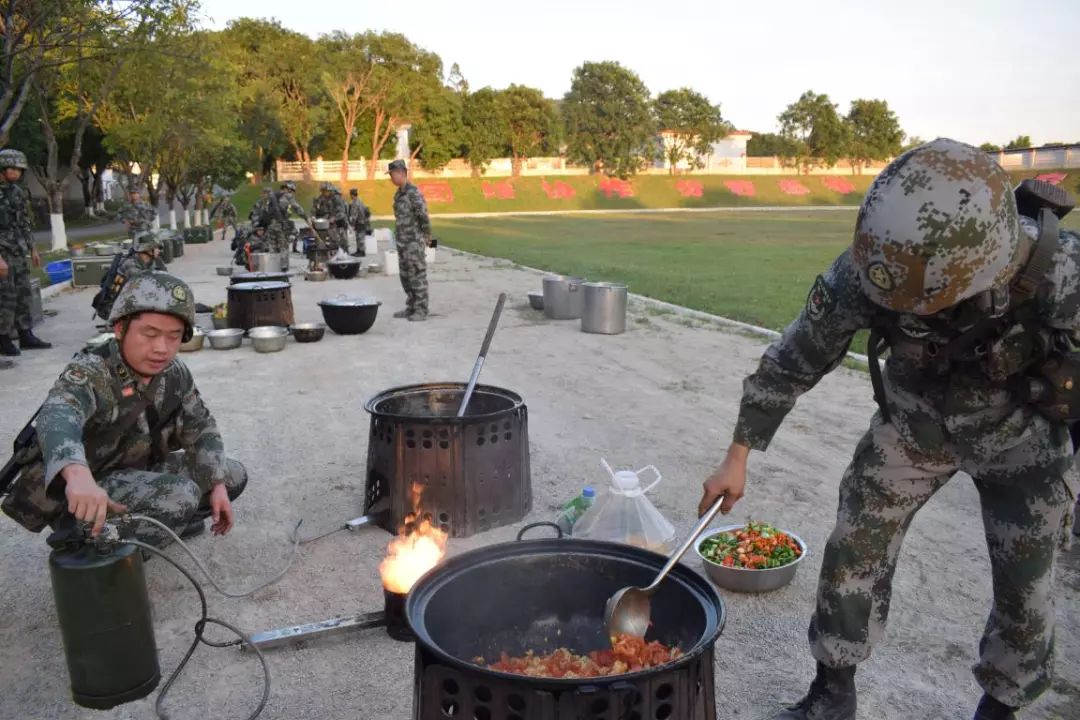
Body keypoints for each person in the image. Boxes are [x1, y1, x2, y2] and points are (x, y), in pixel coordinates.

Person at [697, 139, 1079, 720]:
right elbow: (794, 358)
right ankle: (831, 694)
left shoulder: (1057, 270)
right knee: (855, 544)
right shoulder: (870, 270)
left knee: (1027, 584)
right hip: (915, 425)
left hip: (1020, 436)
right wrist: (738, 454)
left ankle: (1000, 708)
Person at [1, 272, 248, 546]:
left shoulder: (175, 373)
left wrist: (215, 485)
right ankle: (87, 541)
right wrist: (77, 476)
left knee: (229, 475)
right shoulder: (92, 370)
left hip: (136, 469)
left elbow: (201, 426)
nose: (161, 349)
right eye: (149, 334)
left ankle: (170, 520)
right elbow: (58, 416)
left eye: (174, 336)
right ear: (120, 329)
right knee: (182, 494)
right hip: (87, 488)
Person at [0, 147, 51, 361]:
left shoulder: (17, 192)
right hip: (2, 252)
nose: (19, 173)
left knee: (23, 293)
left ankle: (25, 334)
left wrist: (33, 248)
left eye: (20, 170)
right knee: (5, 295)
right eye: (15, 169)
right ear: (4, 168)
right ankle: (3, 338)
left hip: (18, 251)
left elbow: (24, 223)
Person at [389, 159, 431, 321]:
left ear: (400, 173)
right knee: (405, 276)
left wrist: (427, 235)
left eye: (392, 174)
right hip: (402, 242)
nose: (391, 178)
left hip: (414, 242)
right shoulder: (399, 194)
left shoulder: (413, 193)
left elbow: (423, 215)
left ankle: (421, 309)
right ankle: (411, 307)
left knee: (417, 275)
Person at [91, 232, 166, 322]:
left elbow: (165, 278)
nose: (159, 250)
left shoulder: (151, 261)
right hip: (113, 308)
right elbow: (145, 288)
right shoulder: (130, 265)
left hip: (127, 302)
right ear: (148, 249)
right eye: (157, 248)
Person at [347, 187, 372, 257]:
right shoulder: (359, 200)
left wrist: (351, 223)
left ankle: (361, 251)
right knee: (359, 237)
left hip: (360, 222)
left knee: (360, 237)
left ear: (352, 195)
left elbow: (354, 215)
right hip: (362, 221)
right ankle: (359, 250)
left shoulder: (355, 203)